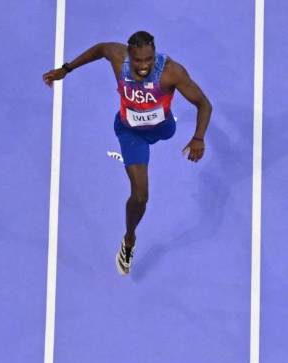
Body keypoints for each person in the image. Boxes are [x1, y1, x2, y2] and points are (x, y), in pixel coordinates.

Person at [43, 31, 212, 275]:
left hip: (164, 127)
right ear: (129, 55)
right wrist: (66, 69)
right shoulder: (117, 57)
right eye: (138, 60)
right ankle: (129, 240)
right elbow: (101, 48)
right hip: (131, 133)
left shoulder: (171, 72)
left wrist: (198, 137)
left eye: (149, 60)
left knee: (167, 131)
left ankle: (156, 132)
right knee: (140, 195)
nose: (143, 66)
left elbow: (204, 104)